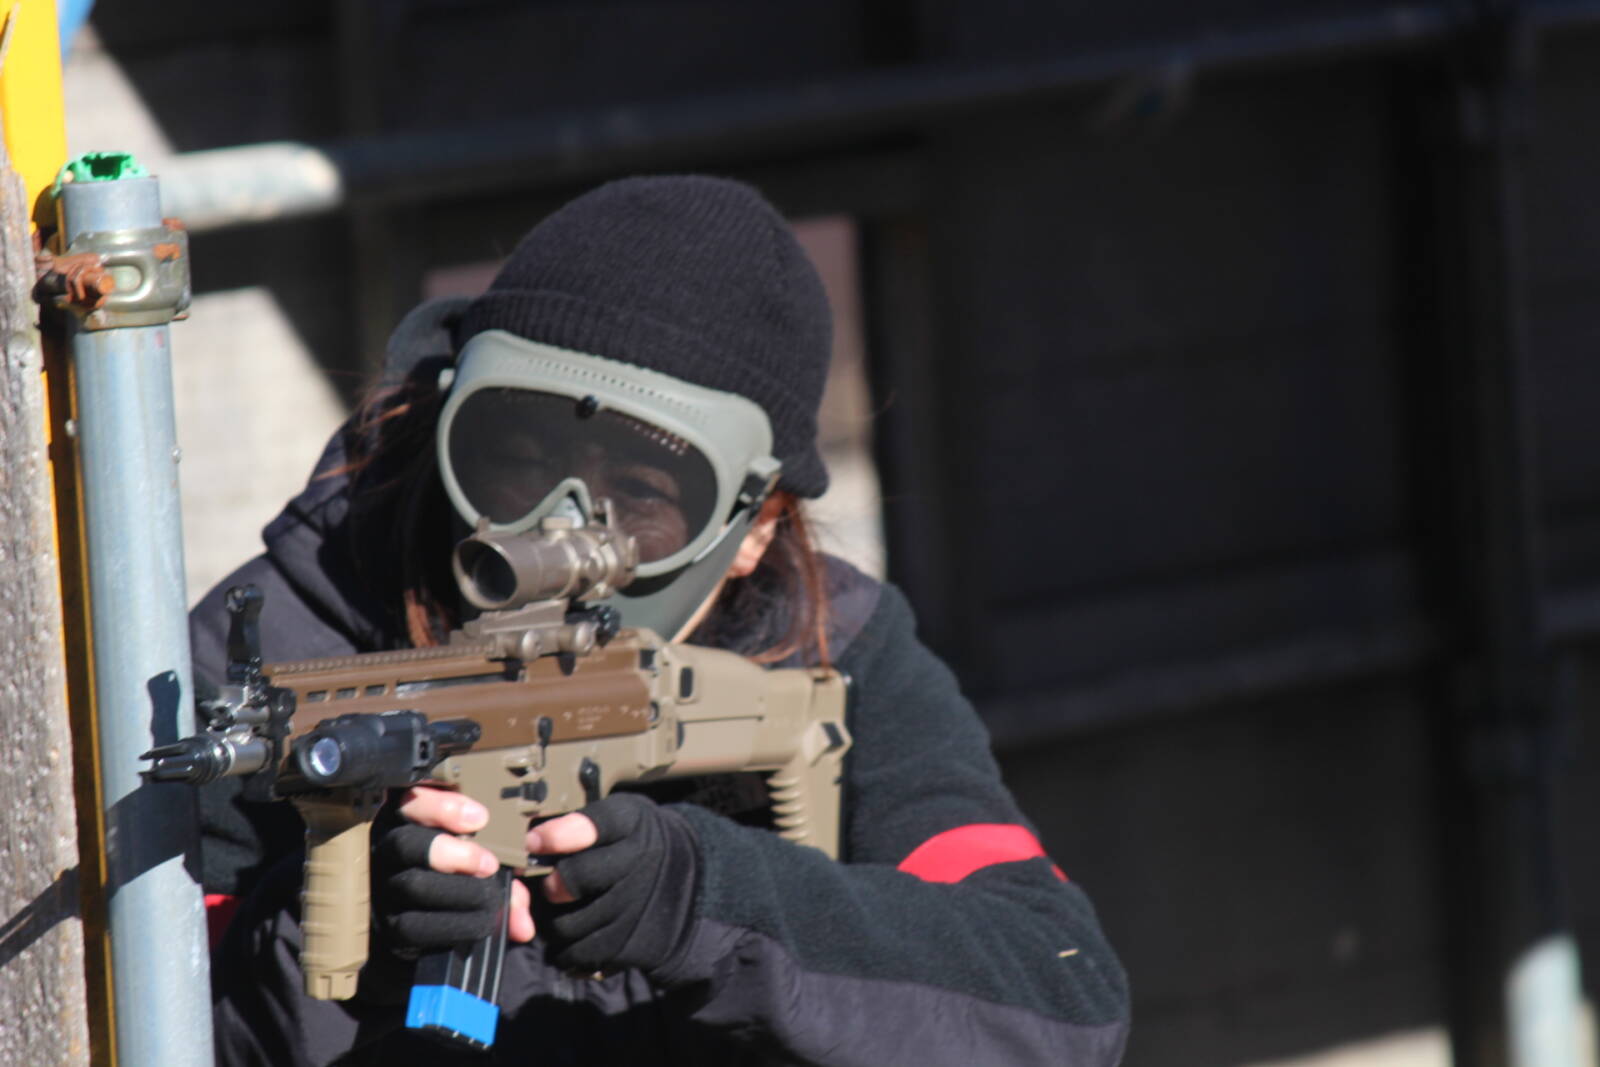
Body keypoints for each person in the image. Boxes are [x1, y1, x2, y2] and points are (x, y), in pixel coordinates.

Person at [191, 175, 1130, 1066]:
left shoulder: (830, 647)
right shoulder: (279, 657)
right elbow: (154, 1019)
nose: (558, 526)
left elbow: (1062, 1005)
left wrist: (713, 902)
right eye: (516, 458)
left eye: (641, 492)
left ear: (756, 528)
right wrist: (332, 935)